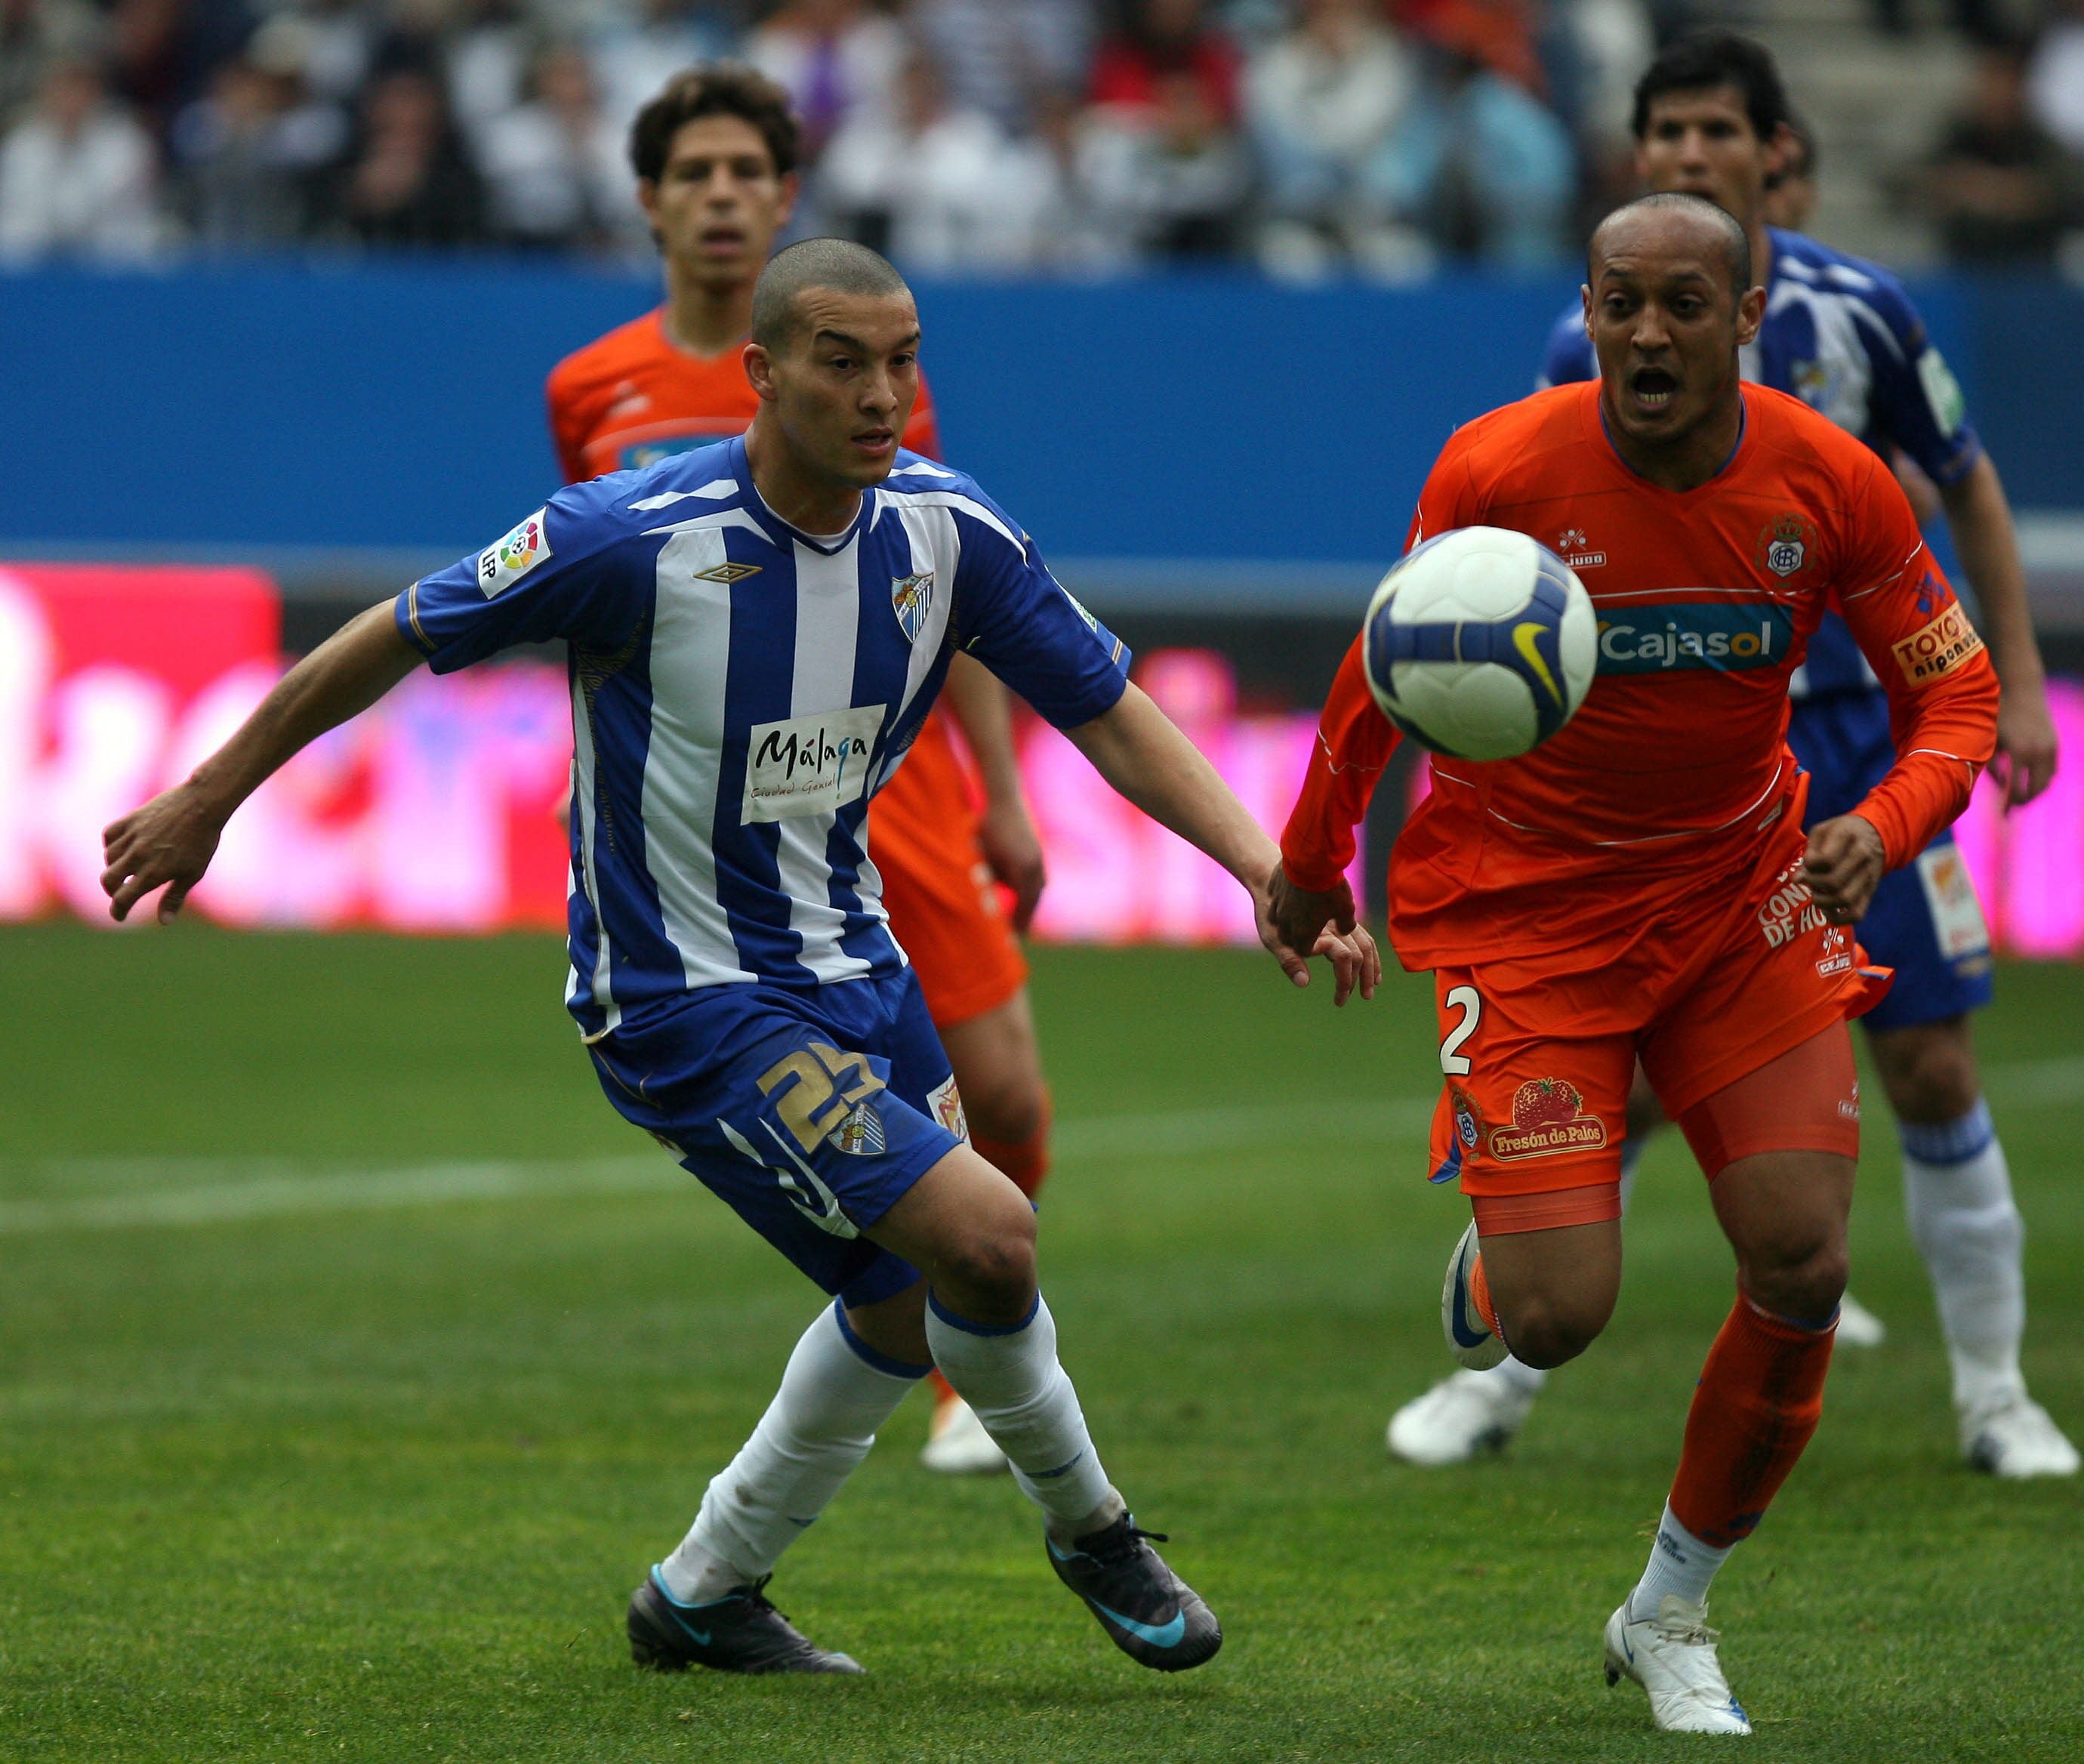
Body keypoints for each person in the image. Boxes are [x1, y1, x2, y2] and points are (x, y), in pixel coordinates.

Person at [102, 236, 1373, 1679]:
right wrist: (208, 796)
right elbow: (391, 636)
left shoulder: (949, 534)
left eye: (903, 361)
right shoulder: (626, 535)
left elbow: (1108, 707)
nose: (882, 393)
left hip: (854, 963)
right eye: (843, 361)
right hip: (680, 1000)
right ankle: (1096, 1529)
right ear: (763, 376)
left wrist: (1271, 866)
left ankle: (702, 1594)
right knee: (988, 1234)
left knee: (903, 1298)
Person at [1275, 193, 1999, 1733]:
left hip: (1747, 897)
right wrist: (1306, 857)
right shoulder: (1502, 467)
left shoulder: (1831, 479)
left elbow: (1960, 698)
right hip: (1531, 916)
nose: (1650, 334)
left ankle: (1672, 1608)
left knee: (1802, 1259)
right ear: (1587, 311)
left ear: (1747, 319)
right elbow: (1382, 664)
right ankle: (1503, 1251)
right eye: (1622, 303)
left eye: (1686, 305)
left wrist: (1883, 818)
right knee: (1556, 1320)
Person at [1390, 29, 2076, 1482]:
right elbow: (1506, 571)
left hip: (1849, 736)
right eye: (1667, 135)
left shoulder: (1864, 312)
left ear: (1776, 156)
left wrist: (2013, 681)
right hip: (1659, 760)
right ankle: (1510, 1349)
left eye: (1718, 133)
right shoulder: (1583, 353)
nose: (1692, 155)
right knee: (1629, 1080)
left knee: (1937, 1066)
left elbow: (1967, 479)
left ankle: (1998, 1397)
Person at [545, 65, 1053, 1474]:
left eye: (745, 172)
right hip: (708, 798)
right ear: (650, 200)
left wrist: (1001, 792)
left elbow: (952, 580)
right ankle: (952, 1375)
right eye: (692, 171)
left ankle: (970, 1352)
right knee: (865, 1121)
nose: (720, 195)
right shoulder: (595, 386)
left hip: (888, 777)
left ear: (784, 197)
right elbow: (585, 601)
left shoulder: (866, 372)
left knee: (1001, 1096)